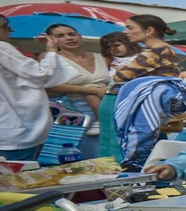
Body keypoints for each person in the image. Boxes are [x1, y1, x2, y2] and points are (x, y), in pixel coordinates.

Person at [0, 16, 82, 160]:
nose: (10, 29)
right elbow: (39, 74)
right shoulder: (2, 48)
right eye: (5, 26)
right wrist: (51, 51)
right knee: (16, 176)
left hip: (8, 125)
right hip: (14, 128)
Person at [37, 24, 110, 158]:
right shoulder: (50, 58)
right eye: (60, 36)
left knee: (106, 153)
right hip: (72, 109)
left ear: (80, 37)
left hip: (105, 108)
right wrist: (94, 90)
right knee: (86, 154)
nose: (68, 38)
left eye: (71, 34)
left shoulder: (101, 57)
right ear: (51, 40)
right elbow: (47, 85)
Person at [113, 15, 186, 82]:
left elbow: (120, 77)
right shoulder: (165, 48)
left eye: (130, 28)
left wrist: (122, 70)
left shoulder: (154, 51)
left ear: (149, 30)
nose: (124, 32)